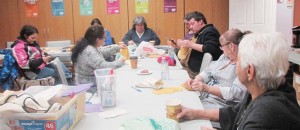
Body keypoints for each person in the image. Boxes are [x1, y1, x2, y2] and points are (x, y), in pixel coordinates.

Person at [177, 32, 300, 130]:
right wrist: (194, 113)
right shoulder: (268, 89)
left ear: (249, 71)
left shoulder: (263, 114)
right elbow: (235, 113)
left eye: (238, 61)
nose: (235, 64)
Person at [185, 29, 249, 109]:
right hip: (204, 96)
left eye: (222, 46)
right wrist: (197, 80)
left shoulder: (242, 66)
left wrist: (207, 88)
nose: (221, 49)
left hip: (219, 104)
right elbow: (208, 71)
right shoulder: (224, 58)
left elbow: (235, 93)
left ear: (231, 46)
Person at [177, 11, 223, 78]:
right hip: (190, 68)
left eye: (192, 24)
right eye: (189, 24)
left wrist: (191, 45)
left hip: (195, 73)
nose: (191, 27)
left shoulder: (210, 31)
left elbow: (211, 49)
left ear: (200, 21)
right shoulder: (200, 32)